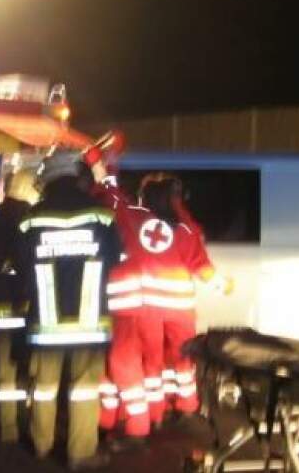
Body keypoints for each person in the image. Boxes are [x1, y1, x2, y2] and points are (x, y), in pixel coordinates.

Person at [85, 147, 228, 449]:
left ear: (146, 194)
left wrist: (99, 165)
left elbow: (110, 194)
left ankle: (139, 426)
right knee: (173, 361)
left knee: (130, 364)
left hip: (135, 306)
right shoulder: (188, 227)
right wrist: (222, 285)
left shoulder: (132, 215)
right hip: (178, 309)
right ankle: (181, 409)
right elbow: (202, 267)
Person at [13, 150, 120, 471]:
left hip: (46, 326)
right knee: (84, 390)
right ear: (77, 177)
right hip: (90, 324)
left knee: (44, 390)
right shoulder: (102, 216)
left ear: (47, 181)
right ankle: (80, 454)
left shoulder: (31, 220)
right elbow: (116, 260)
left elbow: (20, 266)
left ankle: (41, 447)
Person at [0, 168, 39, 444]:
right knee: (12, 371)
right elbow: (23, 267)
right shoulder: (20, 224)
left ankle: (3, 420)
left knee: (0, 371)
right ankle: (11, 430)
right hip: (13, 310)